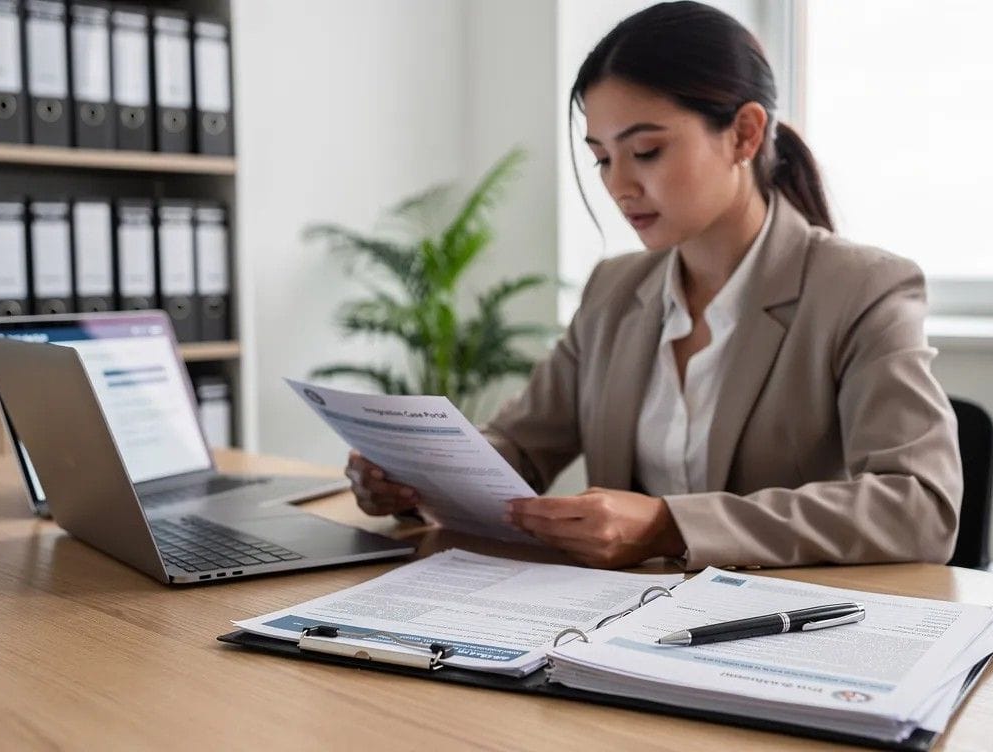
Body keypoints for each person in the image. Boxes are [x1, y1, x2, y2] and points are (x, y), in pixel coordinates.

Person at [345, 1, 961, 570]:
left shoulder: (862, 289)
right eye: (603, 158)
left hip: (776, 635)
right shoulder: (615, 289)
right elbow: (522, 448)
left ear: (745, 134)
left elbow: (919, 507)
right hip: (616, 627)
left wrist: (673, 526)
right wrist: (417, 475)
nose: (619, 186)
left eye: (646, 151)